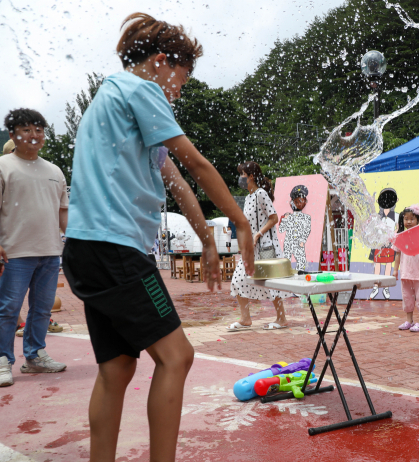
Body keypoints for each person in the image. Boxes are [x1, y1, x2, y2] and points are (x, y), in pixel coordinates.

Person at [61, 13, 254, 462]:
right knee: (177, 356)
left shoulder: (110, 101)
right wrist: (239, 223)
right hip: (116, 249)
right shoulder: (142, 89)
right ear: (163, 61)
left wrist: (206, 238)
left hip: (86, 249)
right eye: (181, 81)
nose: (178, 92)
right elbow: (198, 165)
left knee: (117, 367)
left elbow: (178, 182)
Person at [0, 109, 69, 388]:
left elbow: (63, 214)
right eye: (26, 129)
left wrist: (74, 241)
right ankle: (3, 360)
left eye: (38, 130)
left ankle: (35, 356)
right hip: (14, 252)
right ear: (13, 134)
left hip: (50, 252)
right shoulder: (4, 166)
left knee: (41, 309)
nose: (34, 135)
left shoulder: (54, 171)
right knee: (8, 309)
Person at [229, 161, 290, 330]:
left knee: (271, 282)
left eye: (243, 174)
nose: (240, 178)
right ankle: (245, 319)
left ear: (251, 177)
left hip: (265, 248)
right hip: (251, 248)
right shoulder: (249, 197)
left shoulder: (261, 193)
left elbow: (274, 218)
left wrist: (259, 233)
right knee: (238, 279)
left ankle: (281, 318)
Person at [392, 205, 419, 332]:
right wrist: (396, 270)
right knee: (407, 297)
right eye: (406, 219)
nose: (408, 221)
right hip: (405, 273)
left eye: (412, 219)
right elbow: (397, 254)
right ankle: (409, 321)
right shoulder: (400, 236)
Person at [279, 185, 312, 271]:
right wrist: (285, 220)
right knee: (286, 262)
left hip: (298, 243)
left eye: (300, 201)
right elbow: (281, 230)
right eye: (295, 201)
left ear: (305, 202)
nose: (298, 203)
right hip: (288, 243)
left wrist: (302, 240)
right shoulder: (288, 217)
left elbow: (307, 229)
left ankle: (299, 276)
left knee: (301, 261)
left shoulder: (306, 217)